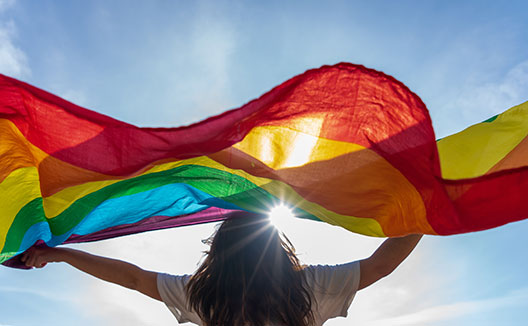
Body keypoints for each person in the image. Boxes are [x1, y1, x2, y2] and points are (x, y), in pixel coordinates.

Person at [21, 211, 422, 326]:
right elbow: (381, 266)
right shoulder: (308, 288)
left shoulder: (204, 296)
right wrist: (427, 216)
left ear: (218, 253)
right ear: (277, 248)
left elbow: (133, 278)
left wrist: (64, 255)